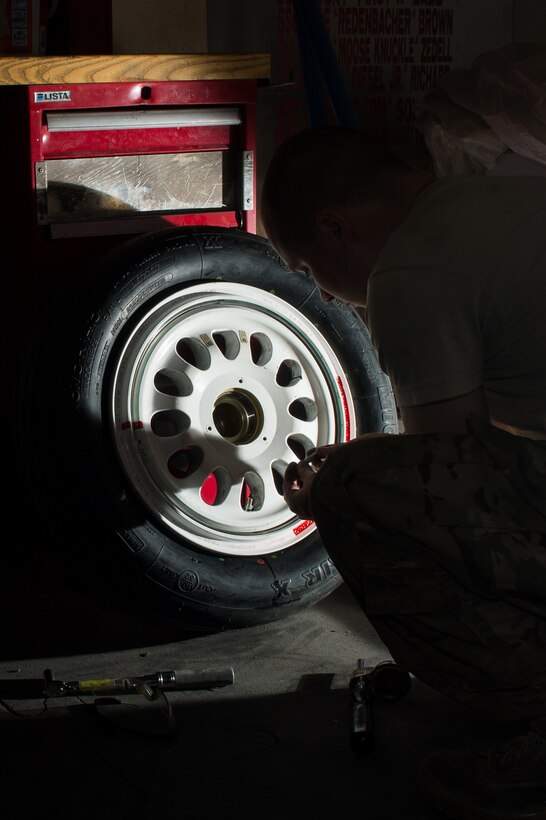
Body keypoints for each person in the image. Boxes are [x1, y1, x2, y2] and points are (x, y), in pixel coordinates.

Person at [260, 126, 546, 820]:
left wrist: (330, 487)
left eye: (305, 269)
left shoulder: (411, 272)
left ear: (336, 228)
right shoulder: (503, 198)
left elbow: (442, 479)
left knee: (358, 492)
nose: (323, 296)